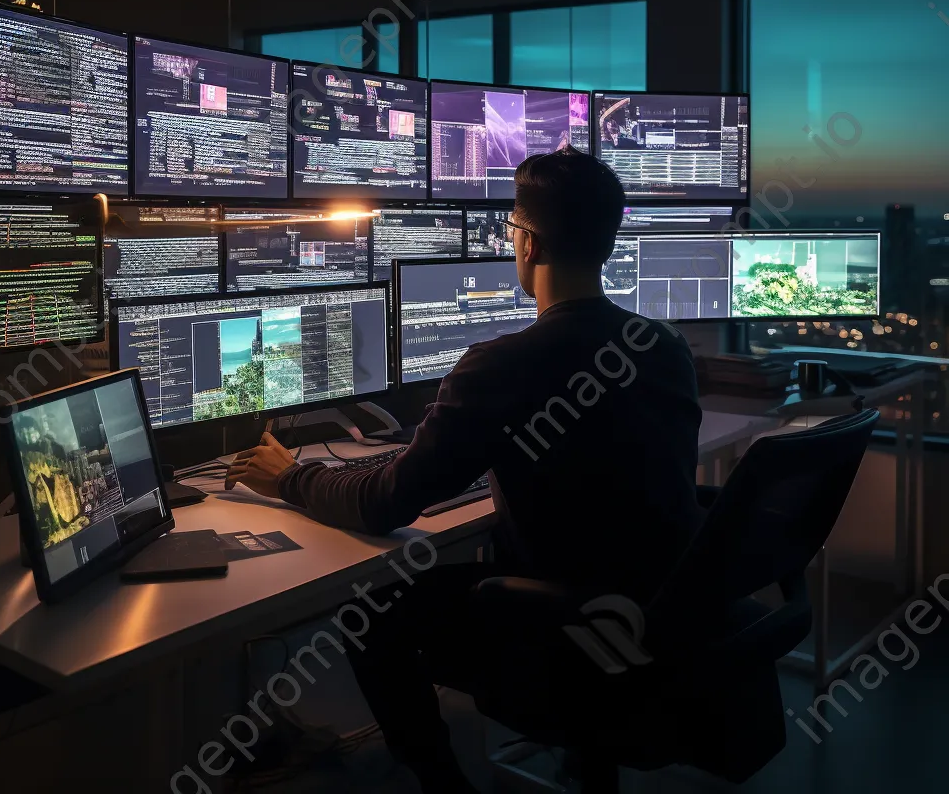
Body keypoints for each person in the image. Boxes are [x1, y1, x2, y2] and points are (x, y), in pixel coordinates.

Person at [225, 147, 703, 794]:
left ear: (527, 245)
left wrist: (288, 477)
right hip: (658, 611)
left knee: (373, 611)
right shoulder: (664, 346)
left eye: (511, 228)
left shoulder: (503, 364)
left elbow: (384, 502)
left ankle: (445, 786)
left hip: (560, 620)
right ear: (606, 244)